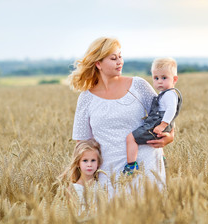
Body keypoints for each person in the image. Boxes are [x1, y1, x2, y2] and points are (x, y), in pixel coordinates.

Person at [68, 37, 174, 196]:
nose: (120, 61)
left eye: (120, 56)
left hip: (145, 165)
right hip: (108, 172)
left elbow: (165, 113)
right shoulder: (86, 98)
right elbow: (82, 143)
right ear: (98, 64)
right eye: (113, 58)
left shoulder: (138, 85)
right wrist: (83, 179)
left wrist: (170, 137)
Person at [123, 57, 182, 175]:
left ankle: (131, 166)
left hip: (159, 122)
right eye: (156, 78)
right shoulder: (164, 93)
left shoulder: (170, 94)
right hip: (158, 121)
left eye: (164, 78)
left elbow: (171, 110)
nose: (159, 81)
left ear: (174, 79)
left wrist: (162, 125)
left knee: (131, 138)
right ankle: (162, 159)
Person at [58, 139, 103, 203]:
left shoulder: (101, 187)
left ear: (98, 163)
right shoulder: (72, 189)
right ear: (77, 163)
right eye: (85, 161)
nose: (89, 165)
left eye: (93, 160)